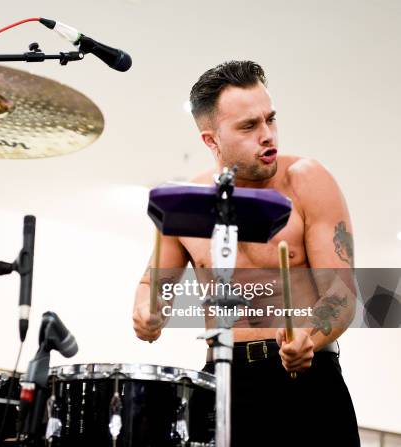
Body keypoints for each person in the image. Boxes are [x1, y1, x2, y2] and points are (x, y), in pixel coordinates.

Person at [132, 61, 360, 446]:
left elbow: (343, 292)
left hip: (306, 377)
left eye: (270, 120)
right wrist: (147, 314)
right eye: (249, 126)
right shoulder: (184, 203)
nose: (268, 135)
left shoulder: (307, 180)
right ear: (211, 140)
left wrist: (308, 335)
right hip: (222, 381)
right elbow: (153, 288)